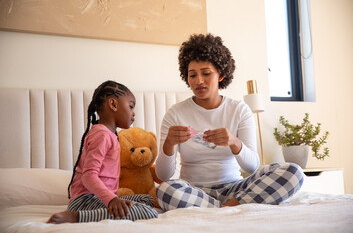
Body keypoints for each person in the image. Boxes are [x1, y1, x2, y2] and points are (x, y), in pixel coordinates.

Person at [155, 34, 304, 211]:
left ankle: (226, 206)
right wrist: (169, 144)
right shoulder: (175, 114)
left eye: (206, 73)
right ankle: (230, 209)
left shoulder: (239, 110)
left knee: (294, 172)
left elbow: (252, 167)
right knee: (165, 190)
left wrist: (234, 142)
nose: (198, 81)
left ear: (221, 74)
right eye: (192, 75)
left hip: (235, 189)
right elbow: (163, 176)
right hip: (193, 191)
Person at [47, 80, 158, 223]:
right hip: (85, 200)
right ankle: (76, 217)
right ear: (113, 104)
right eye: (130, 106)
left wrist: (113, 198)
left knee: (145, 199)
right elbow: (88, 176)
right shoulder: (102, 135)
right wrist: (111, 199)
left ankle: (103, 210)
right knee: (148, 212)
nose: (133, 113)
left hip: (100, 198)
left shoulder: (109, 135)